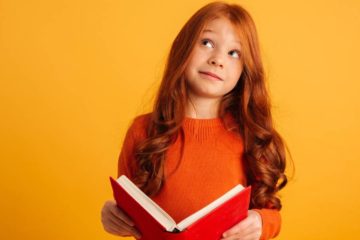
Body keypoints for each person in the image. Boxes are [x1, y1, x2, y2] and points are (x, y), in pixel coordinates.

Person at [101, 1, 290, 239]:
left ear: (246, 70)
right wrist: (111, 214)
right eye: (207, 43)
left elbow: (271, 212)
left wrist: (261, 222)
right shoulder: (143, 131)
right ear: (184, 47)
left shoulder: (250, 137)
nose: (218, 60)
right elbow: (127, 207)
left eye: (234, 53)